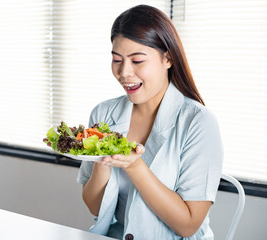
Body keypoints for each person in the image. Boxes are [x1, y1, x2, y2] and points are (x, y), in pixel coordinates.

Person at [77, 5, 223, 240]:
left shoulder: (198, 123)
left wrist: (135, 167)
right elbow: (95, 207)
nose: (124, 73)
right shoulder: (103, 114)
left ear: (168, 58)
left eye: (137, 60)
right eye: (117, 59)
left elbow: (188, 225)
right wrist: (102, 158)